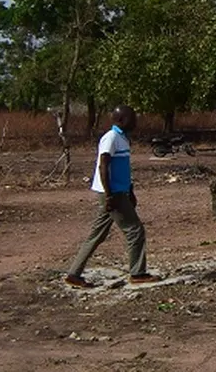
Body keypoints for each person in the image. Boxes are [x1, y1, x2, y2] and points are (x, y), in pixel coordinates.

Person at [64, 105, 160, 287]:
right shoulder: (111, 138)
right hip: (112, 193)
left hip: (118, 192)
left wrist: (130, 190)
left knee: (97, 234)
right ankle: (138, 273)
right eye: (132, 118)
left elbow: (122, 168)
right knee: (135, 231)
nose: (136, 121)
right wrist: (109, 196)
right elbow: (103, 166)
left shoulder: (123, 138)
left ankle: (73, 274)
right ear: (121, 120)